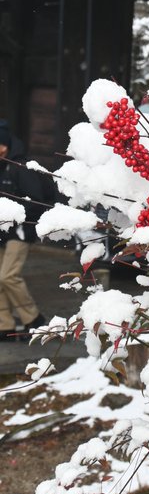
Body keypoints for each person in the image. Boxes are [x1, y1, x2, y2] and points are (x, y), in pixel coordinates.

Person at [0, 121, 47, 340]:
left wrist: (16, 216)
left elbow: (37, 201)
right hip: (2, 231)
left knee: (8, 276)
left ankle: (33, 318)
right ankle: (4, 324)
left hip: (19, 230)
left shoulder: (21, 166)